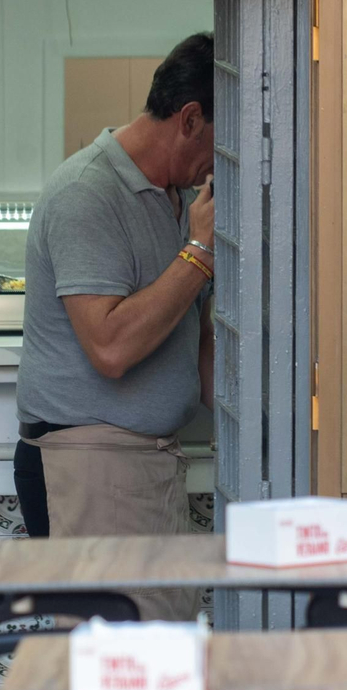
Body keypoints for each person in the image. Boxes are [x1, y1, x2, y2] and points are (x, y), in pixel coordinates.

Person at [13, 33, 216, 621]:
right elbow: (110, 347)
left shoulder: (181, 199)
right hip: (90, 468)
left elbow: (196, 338)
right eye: (223, 141)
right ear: (190, 119)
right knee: (114, 658)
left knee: (162, 647)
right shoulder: (87, 193)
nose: (226, 161)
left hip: (147, 465)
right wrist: (200, 251)